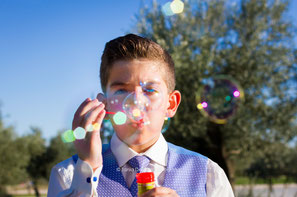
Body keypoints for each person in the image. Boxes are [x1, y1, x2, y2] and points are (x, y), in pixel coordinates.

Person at [48, 34, 235, 197]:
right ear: (104, 103)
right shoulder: (68, 175)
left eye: (150, 90)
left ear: (171, 104)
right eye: (121, 90)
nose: (136, 103)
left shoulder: (208, 174)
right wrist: (88, 166)